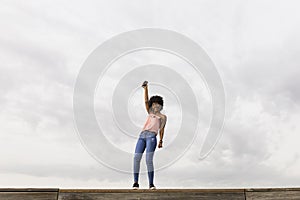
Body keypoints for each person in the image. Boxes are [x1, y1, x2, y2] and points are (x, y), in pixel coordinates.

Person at [132, 81, 167, 190]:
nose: (155, 105)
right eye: (154, 103)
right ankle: (135, 183)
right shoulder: (150, 112)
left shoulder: (163, 117)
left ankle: (151, 184)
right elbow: (146, 101)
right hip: (142, 136)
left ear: (160, 105)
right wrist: (146, 89)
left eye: (158, 104)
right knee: (136, 158)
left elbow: (162, 129)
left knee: (148, 160)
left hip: (152, 137)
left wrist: (161, 140)